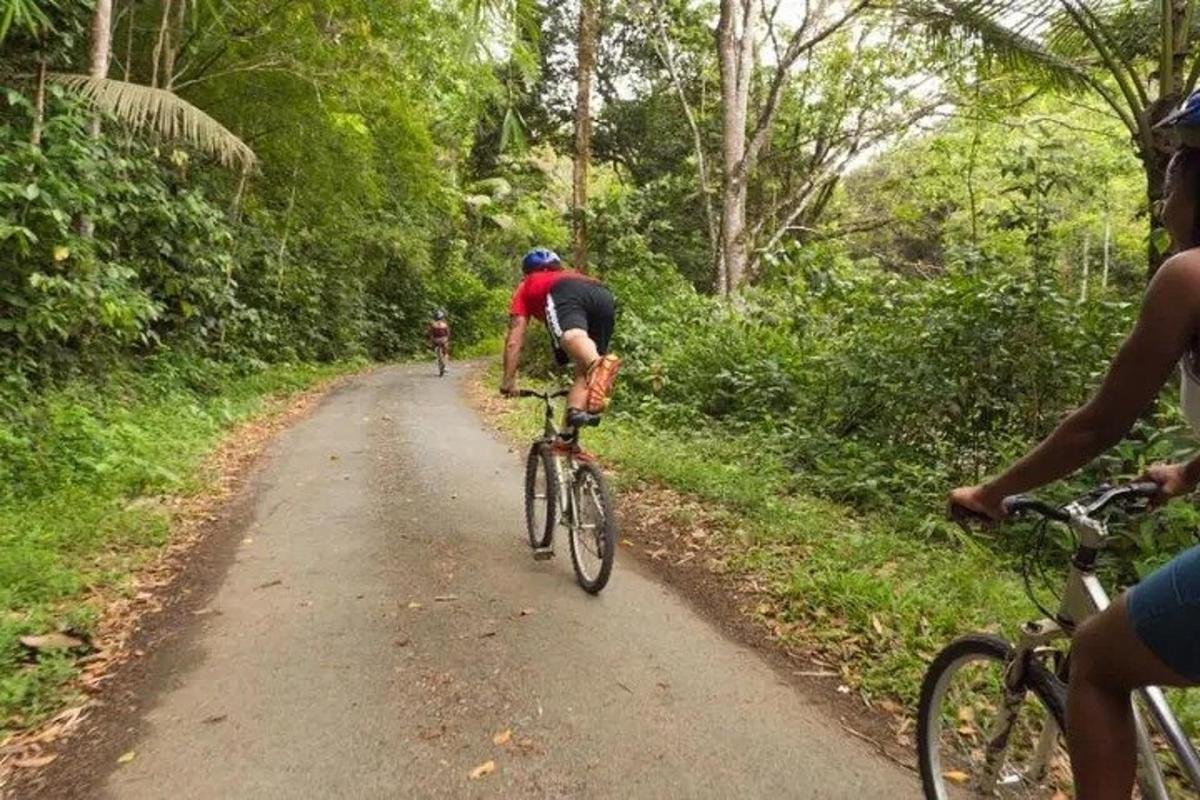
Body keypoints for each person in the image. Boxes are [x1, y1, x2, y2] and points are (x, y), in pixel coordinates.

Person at [950, 90, 1200, 800]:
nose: (1166, 195)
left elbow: (1098, 426)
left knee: (1095, 657)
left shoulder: (1189, 277)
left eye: (1177, 168)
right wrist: (1186, 473)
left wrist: (991, 492)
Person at [500, 248, 620, 429]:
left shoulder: (527, 285)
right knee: (584, 372)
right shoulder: (573, 275)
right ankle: (566, 441)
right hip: (603, 295)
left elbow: (513, 342)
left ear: (527, 272)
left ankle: (598, 365)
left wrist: (508, 382)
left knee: (573, 336)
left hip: (565, 291)